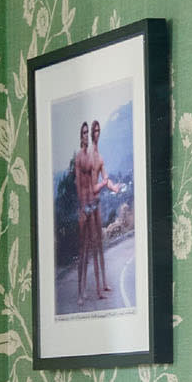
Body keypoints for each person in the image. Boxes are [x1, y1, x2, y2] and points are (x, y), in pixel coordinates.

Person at [72, 121, 98, 302]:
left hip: (93, 204)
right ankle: (80, 293)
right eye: (84, 133)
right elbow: (78, 185)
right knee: (82, 252)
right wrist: (82, 208)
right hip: (84, 207)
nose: (86, 136)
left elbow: (91, 182)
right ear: (80, 136)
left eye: (87, 132)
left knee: (90, 249)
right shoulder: (79, 158)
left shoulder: (90, 157)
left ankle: (90, 289)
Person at [88, 119, 111, 299]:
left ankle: (103, 284)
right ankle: (96, 288)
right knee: (94, 246)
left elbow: (106, 178)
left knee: (100, 245)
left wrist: (113, 186)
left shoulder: (101, 157)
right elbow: (91, 186)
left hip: (98, 202)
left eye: (98, 130)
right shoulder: (88, 155)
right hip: (89, 203)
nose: (97, 133)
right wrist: (103, 185)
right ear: (91, 134)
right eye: (94, 131)